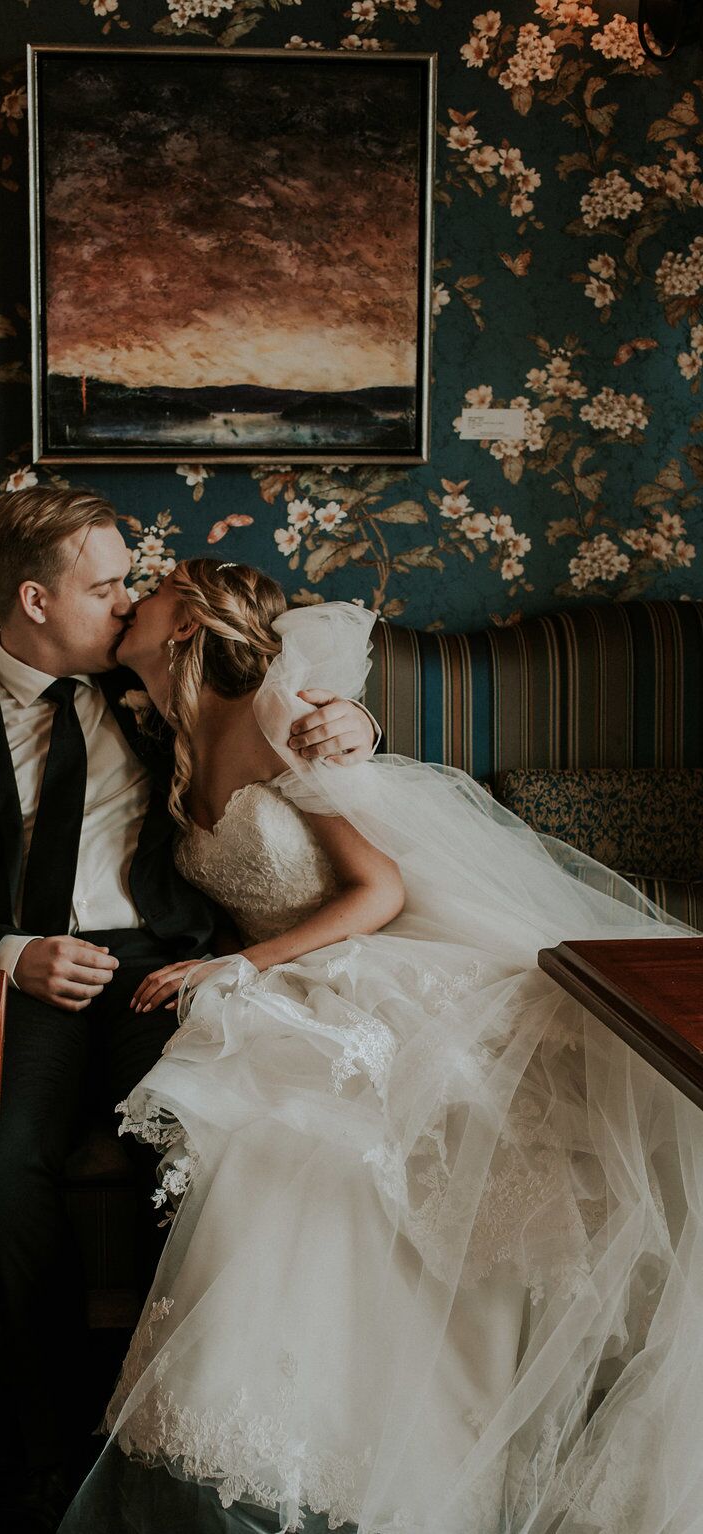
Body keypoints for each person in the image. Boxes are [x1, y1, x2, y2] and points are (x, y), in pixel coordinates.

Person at [58, 558, 703, 1534]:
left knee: (305, 1150)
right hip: (297, 968)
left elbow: (380, 890)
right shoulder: (147, 713)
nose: (125, 600)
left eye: (141, 592)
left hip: (380, 958)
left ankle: (372, 1439)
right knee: (275, 1142)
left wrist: (242, 965)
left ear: (184, 621)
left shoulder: (284, 712)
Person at [0, 492, 377, 1522]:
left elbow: (273, 706)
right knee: (4, 1170)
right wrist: (15, 954)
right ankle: (54, 1445)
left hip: (164, 960)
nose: (122, 602)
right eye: (103, 587)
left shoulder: (152, 691)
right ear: (34, 598)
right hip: (31, 978)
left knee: (192, 1151)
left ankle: (168, 1432)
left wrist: (357, 718)